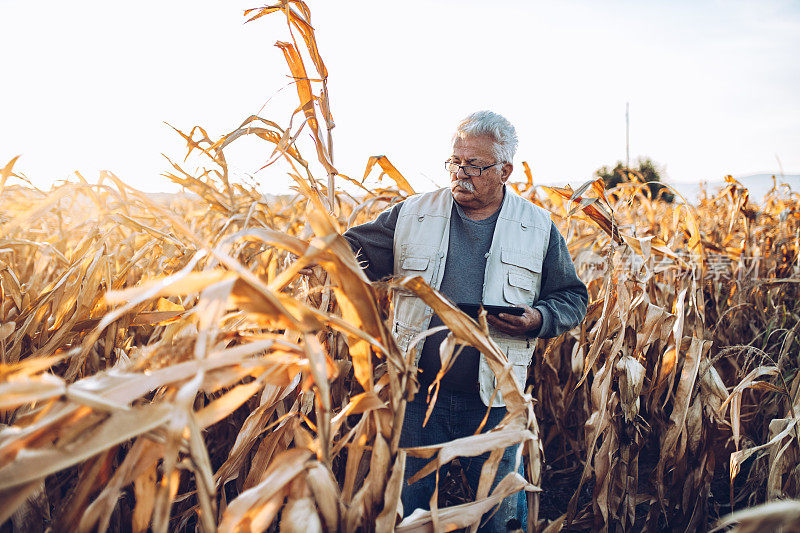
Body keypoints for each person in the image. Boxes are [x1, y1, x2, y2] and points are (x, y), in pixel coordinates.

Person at [344, 111, 588, 531]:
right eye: (455, 162)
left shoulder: (537, 227)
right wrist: (319, 255)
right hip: (418, 396)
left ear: (505, 170)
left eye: (474, 165)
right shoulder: (412, 215)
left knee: (497, 517)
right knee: (411, 515)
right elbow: (352, 253)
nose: (461, 173)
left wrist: (537, 318)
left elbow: (572, 298)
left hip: (493, 401)